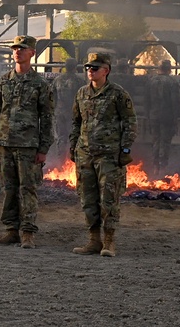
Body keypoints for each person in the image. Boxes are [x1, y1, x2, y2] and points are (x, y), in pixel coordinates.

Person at [0, 36, 54, 249]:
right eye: (15, 48)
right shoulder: (4, 81)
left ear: (32, 53)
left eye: (22, 48)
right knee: (8, 188)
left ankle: (27, 232)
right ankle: (10, 230)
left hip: (28, 145)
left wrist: (43, 148)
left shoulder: (40, 84)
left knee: (28, 189)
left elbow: (47, 117)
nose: (17, 51)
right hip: (5, 143)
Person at [70, 51, 137, 257]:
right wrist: (73, 147)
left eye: (95, 68)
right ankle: (94, 240)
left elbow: (130, 123)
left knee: (109, 199)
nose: (90, 71)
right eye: (88, 67)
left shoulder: (118, 94)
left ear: (106, 70)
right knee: (87, 198)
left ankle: (109, 241)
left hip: (109, 156)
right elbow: (76, 122)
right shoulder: (82, 93)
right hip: (85, 155)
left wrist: (125, 149)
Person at [147, 60, 180, 175]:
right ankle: (163, 167)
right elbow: (175, 102)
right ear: (169, 69)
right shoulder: (172, 82)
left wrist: (148, 115)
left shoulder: (151, 81)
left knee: (156, 141)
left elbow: (146, 100)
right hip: (167, 116)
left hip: (154, 116)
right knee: (165, 142)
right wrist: (177, 117)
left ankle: (155, 166)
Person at [50, 58, 86, 159]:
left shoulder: (57, 80)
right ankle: (73, 159)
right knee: (74, 137)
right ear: (75, 67)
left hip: (59, 112)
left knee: (61, 137)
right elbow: (83, 98)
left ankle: (61, 160)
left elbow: (52, 98)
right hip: (73, 113)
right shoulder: (80, 81)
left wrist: (54, 110)